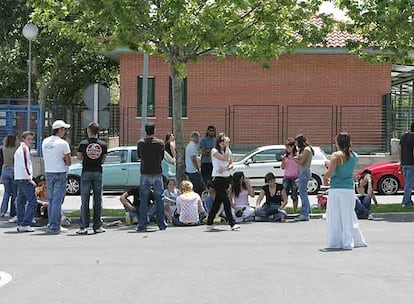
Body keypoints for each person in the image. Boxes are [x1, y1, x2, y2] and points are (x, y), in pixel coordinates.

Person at [323, 132, 367, 250]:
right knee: (348, 214)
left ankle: (336, 242)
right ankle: (353, 239)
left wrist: (325, 176)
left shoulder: (336, 156)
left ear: (338, 142)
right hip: (348, 188)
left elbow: (330, 173)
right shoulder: (354, 156)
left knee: (335, 215)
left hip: (336, 188)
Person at [76, 122, 108, 234]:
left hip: (86, 172)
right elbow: (103, 159)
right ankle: (97, 226)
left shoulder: (83, 144)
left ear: (89, 130)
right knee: (98, 200)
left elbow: (79, 157)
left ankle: (83, 226)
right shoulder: (103, 144)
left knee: (85, 200)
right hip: (98, 172)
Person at [42, 120, 72, 234]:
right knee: (57, 201)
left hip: (49, 172)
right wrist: (63, 160)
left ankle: (52, 223)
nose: (65, 131)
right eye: (64, 129)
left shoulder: (45, 142)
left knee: (51, 199)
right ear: (59, 130)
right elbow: (68, 161)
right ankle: (55, 226)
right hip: (60, 172)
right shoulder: (63, 143)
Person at [206, 133, 240, 231]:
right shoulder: (214, 151)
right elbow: (224, 158)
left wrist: (225, 169)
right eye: (221, 141)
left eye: (224, 141)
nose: (223, 143)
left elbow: (231, 164)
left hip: (226, 178)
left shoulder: (227, 151)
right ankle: (232, 223)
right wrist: (227, 145)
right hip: (217, 179)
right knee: (226, 201)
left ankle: (209, 222)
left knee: (217, 202)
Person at [136, 123, 166, 232]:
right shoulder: (160, 143)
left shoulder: (141, 143)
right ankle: (161, 223)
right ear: (154, 130)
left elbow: (139, 156)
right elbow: (162, 157)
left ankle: (142, 224)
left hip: (145, 172)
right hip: (157, 172)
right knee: (159, 198)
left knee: (144, 199)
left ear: (145, 131)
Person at [14, 131, 37, 232]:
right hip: (24, 178)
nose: (31, 141)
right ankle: (26, 223)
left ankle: (20, 222)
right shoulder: (24, 149)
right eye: (29, 139)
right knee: (32, 201)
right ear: (23, 139)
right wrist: (29, 178)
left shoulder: (19, 149)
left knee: (21, 202)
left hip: (19, 178)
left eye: (32, 139)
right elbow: (25, 165)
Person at [294, 134, 313, 221]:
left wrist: (293, 159)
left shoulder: (306, 150)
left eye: (297, 142)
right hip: (303, 172)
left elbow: (301, 162)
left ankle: (305, 214)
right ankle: (308, 211)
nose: (296, 144)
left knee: (302, 193)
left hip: (304, 172)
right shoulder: (304, 150)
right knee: (303, 192)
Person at [1, 135, 19, 220]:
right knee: (15, 193)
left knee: (7, 192)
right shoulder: (16, 149)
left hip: (5, 170)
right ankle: (13, 212)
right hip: (13, 170)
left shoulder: (4, 148)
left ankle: (2, 211)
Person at [281, 138, 299, 213]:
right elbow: (282, 167)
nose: (287, 149)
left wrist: (295, 159)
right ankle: (282, 209)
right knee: (284, 194)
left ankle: (295, 210)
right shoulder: (286, 156)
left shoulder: (297, 155)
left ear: (292, 147)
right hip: (286, 177)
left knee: (294, 195)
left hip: (295, 177)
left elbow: (299, 164)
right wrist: (283, 160)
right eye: (286, 147)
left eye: (288, 147)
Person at [185, 131, 205, 195]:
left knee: (197, 187)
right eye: (198, 138)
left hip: (190, 170)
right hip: (193, 171)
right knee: (200, 188)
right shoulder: (192, 146)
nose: (199, 140)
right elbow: (193, 159)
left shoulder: (191, 146)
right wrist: (198, 168)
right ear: (195, 138)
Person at [399, 122, 414, 207]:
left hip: (404, 163)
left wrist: (401, 162)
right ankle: (405, 202)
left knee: (407, 183)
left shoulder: (404, 136)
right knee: (409, 184)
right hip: (412, 164)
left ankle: (409, 200)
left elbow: (399, 149)